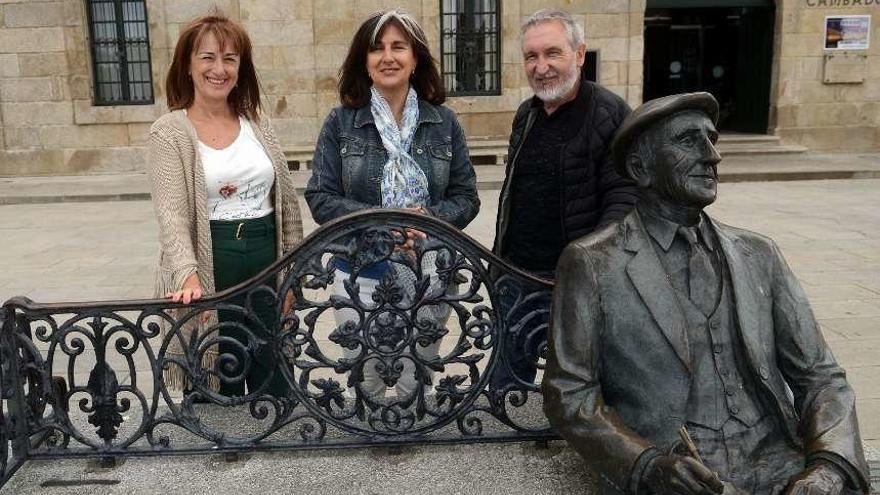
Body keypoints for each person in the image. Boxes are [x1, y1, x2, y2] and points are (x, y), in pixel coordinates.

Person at [543, 92, 870, 495]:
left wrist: (828, 466)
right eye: (687, 140)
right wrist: (647, 464)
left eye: (712, 138)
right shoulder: (592, 262)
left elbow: (821, 376)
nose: (712, 155)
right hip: (676, 473)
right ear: (639, 167)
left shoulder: (758, 253)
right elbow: (569, 394)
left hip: (782, 462)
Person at [305, 9, 479, 403]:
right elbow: (320, 197)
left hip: (431, 272)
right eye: (377, 48)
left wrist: (429, 220)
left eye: (398, 47)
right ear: (363, 62)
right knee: (365, 381)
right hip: (359, 270)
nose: (388, 57)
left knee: (413, 384)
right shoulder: (341, 123)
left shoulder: (444, 123)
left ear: (415, 58)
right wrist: (381, 225)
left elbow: (466, 197)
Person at [148, 13, 303, 398]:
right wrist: (187, 275)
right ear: (187, 64)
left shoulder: (258, 122)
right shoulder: (169, 131)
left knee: (275, 379)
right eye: (208, 57)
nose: (219, 69)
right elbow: (172, 215)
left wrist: (292, 271)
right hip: (212, 260)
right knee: (221, 378)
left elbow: (285, 202)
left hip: (267, 257)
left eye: (230, 58)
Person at [490, 9, 638, 391]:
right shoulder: (527, 114)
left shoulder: (610, 112)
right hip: (518, 273)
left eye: (552, 53)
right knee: (505, 386)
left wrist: (588, 267)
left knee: (575, 386)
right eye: (531, 57)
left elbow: (623, 200)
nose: (541, 67)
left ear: (579, 54)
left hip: (573, 282)